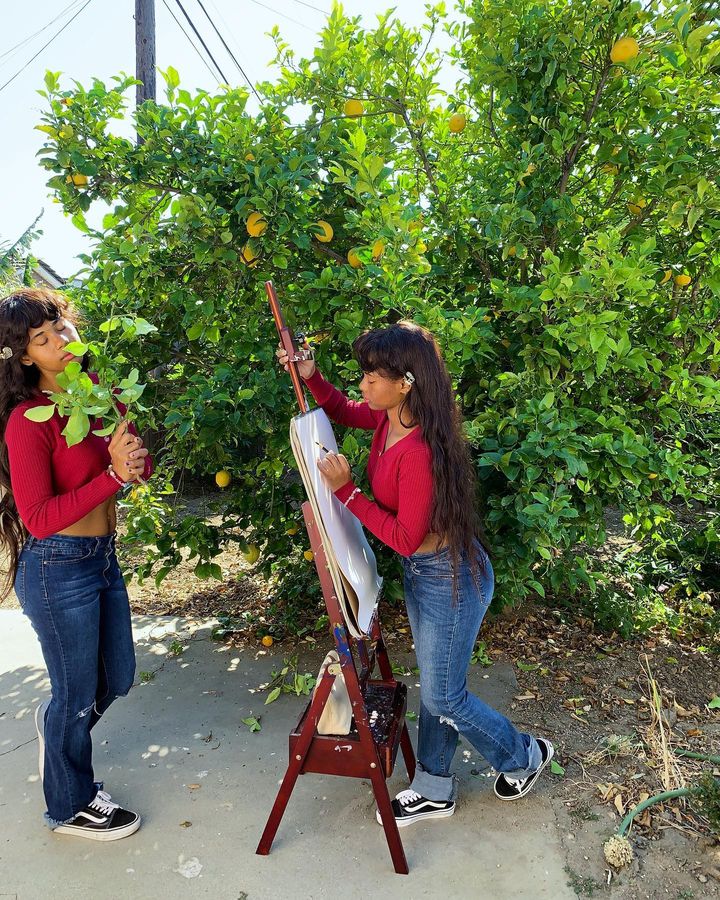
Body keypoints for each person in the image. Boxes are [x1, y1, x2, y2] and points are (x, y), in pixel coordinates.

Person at [277, 321, 553, 827]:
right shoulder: (391, 418)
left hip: (448, 580)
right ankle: (433, 786)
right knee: (439, 686)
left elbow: (406, 536)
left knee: (445, 695)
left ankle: (523, 756)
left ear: (405, 381)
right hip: (427, 574)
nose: (363, 384)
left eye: (372, 376)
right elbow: (340, 410)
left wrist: (346, 492)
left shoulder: (418, 448)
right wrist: (311, 375)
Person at [0, 287, 152, 841]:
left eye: (60, 327)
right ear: (25, 357)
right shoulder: (28, 420)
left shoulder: (100, 396)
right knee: (75, 691)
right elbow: (38, 518)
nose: (60, 342)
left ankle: (56, 725)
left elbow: (135, 462)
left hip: (101, 557)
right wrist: (111, 476)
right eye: (42, 339)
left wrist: (132, 462)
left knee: (119, 676)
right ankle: (70, 805)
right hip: (56, 566)